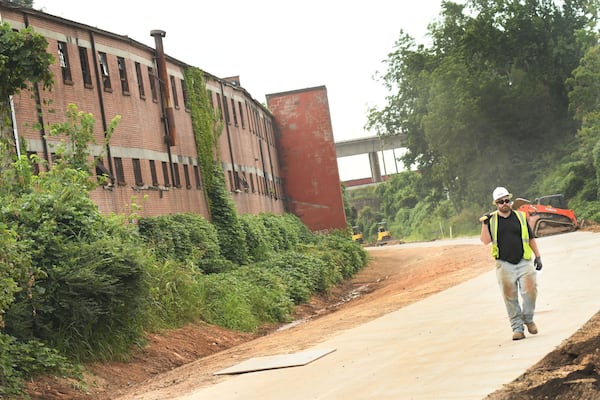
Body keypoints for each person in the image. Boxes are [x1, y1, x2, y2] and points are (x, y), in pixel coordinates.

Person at [480, 186, 543, 340]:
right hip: (504, 264)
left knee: (530, 291)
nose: (504, 203)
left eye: (506, 200)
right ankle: (517, 329)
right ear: (496, 203)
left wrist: (538, 256)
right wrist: (484, 224)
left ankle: (528, 319)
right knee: (510, 297)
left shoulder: (520, 217)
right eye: (501, 201)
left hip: (523, 261)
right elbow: (485, 241)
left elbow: (530, 238)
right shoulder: (491, 220)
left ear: (510, 200)